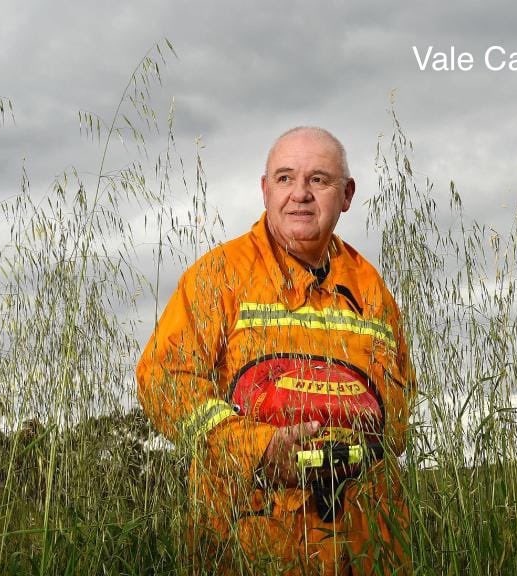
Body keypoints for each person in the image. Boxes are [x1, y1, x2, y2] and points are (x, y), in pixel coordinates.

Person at [136, 126, 415, 574]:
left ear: (346, 195)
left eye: (318, 180)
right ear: (265, 190)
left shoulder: (371, 288)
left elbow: (396, 420)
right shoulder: (218, 276)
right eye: (285, 178)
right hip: (250, 540)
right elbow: (163, 380)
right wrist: (258, 448)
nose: (300, 194)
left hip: (365, 546)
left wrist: (346, 440)